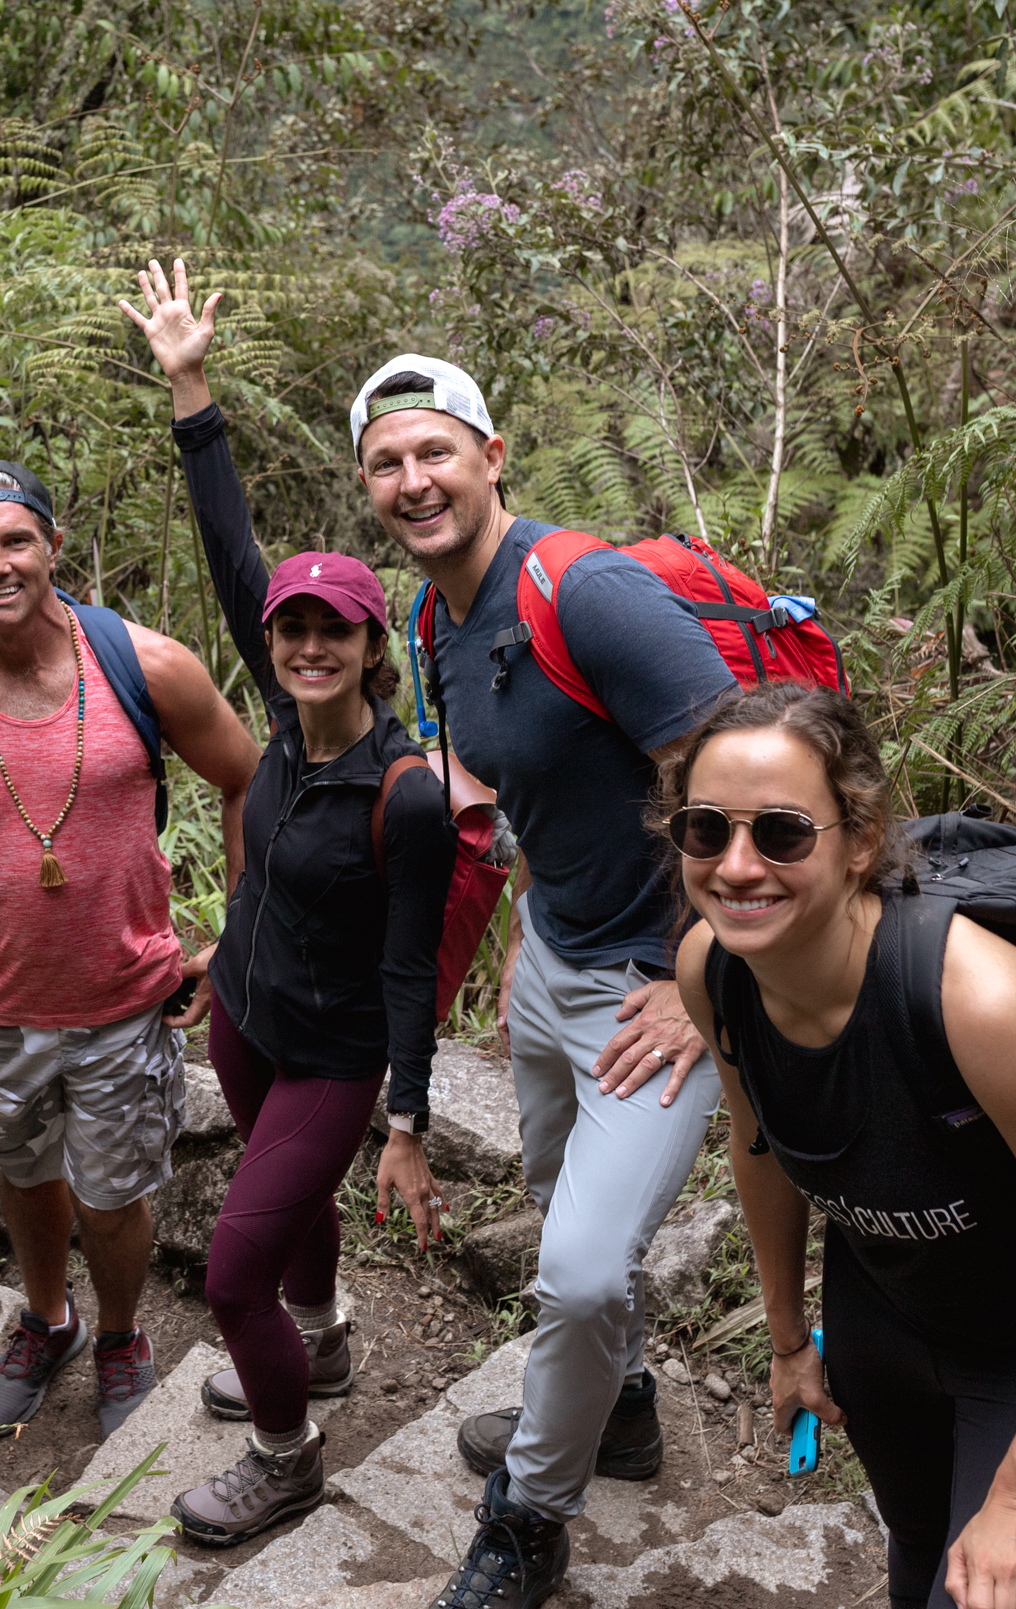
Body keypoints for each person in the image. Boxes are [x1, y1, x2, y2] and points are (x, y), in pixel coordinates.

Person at [667, 682, 1016, 1609]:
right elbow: (758, 1150)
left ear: (860, 841)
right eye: (706, 829)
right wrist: (790, 1339)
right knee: (918, 1557)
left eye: (782, 833)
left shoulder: (977, 1001)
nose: (737, 866)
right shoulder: (713, 970)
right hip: (888, 1318)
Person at [348, 353, 729, 1609]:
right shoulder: (433, 618)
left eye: (436, 452)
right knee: (560, 1194)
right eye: (389, 463)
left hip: (655, 987)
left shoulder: (589, 589)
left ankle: (528, 1518)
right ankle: (618, 1411)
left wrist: (698, 982)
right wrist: (525, 911)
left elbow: (749, 781)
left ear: (492, 455)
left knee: (576, 1268)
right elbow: (524, 787)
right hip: (555, 960)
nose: (415, 482)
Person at [119, 260, 459, 1546]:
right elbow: (231, 547)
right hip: (243, 1018)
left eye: (335, 632)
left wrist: (408, 1115)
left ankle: (285, 1451)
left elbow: (416, 965)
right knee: (290, 1222)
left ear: (375, 647)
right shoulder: (282, 721)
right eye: (290, 631)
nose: (309, 646)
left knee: (229, 1268)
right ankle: (317, 1341)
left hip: (329, 1053)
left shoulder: (405, 792)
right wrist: (188, 384)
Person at [0, 458, 259, 1436]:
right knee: (24, 1170)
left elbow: (248, 778)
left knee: (114, 1188)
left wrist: (239, 933)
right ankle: (48, 1317)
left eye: (16, 540)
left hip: (125, 997)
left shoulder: (147, 664)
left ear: (54, 545)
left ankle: (122, 1330)